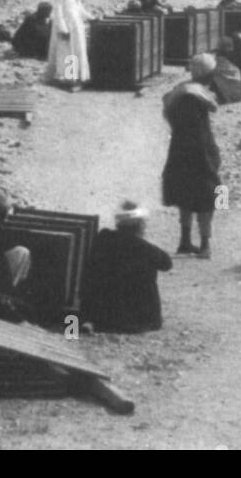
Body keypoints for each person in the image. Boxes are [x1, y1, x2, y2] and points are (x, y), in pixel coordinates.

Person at [162, 54, 222, 259]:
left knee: (183, 194)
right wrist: (212, 156)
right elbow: (200, 130)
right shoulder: (196, 96)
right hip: (199, 151)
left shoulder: (180, 91)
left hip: (178, 149)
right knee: (209, 195)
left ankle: (184, 241)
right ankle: (205, 244)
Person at [83, 202, 173, 333]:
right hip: (138, 320)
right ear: (140, 226)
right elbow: (167, 264)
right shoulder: (145, 249)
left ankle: (73, 332)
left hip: (103, 315)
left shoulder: (104, 238)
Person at [45, 0, 92, 91]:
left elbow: (79, 7)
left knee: (79, 51)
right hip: (66, 27)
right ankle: (70, 80)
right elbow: (58, 11)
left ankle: (80, 78)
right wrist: (63, 29)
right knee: (68, 54)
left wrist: (91, 17)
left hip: (77, 26)